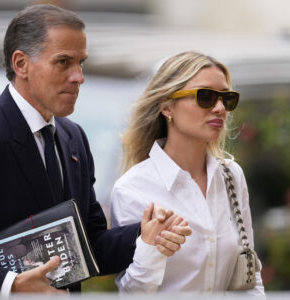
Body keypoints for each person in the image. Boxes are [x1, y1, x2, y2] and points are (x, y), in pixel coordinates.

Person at [0, 4, 191, 295]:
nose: (79, 76)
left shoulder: (72, 137)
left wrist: (142, 237)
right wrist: (11, 286)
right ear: (21, 64)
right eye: (63, 62)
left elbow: (87, 246)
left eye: (81, 63)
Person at [110, 51, 265, 294]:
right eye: (205, 96)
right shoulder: (133, 188)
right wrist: (152, 249)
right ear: (167, 107)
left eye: (227, 98)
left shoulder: (231, 176)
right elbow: (133, 294)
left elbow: (249, 277)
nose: (220, 108)